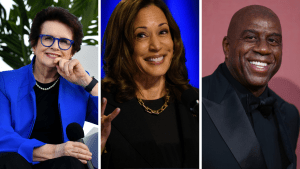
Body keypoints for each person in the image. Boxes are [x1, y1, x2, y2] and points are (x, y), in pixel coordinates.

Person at [101, 0, 199, 168]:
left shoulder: (195, 101)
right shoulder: (103, 106)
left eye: (162, 32)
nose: (156, 46)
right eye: (141, 35)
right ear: (122, 45)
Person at [0, 7, 98, 169]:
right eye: (48, 38)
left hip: (62, 165)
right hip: (17, 162)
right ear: (34, 44)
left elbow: (106, 117)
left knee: (71, 163)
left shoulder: (79, 83)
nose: (55, 46)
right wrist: (54, 150)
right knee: (11, 161)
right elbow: (2, 135)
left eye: (64, 42)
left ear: (72, 52)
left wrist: (88, 82)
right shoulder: (5, 82)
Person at [202, 5, 299, 169]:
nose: (263, 48)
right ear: (227, 47)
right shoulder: (197, 101)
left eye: (273, 40)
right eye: (251, 37)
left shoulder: (290, 115)